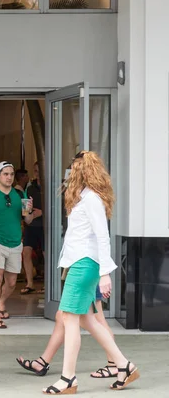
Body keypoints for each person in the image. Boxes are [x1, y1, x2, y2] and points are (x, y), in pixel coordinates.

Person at [42, 151, 139, 394]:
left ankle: (68, 378)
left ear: (85, 171)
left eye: (75, 167)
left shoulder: (91, 199)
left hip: (85, 263)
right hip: (80, 262)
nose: (71, 172)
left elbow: (102, 236)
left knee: (69, 319)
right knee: (86, 319)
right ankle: (124, 366)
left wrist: (106, 274)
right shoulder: (85, 197)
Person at [16, 287, 118, 378]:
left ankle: (114, 364)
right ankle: (42, 362)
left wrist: (104, 276)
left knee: (97, 320)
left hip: (89, 274)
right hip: (85, 273)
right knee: (62, 316)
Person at [0, 161, 35, 328]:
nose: (9, 177)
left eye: (11, 174)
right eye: (5, 174)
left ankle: (1, 301)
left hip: (15, 242)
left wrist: (29, 210)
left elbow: (27, 220)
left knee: (12, 281)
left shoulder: (20, 195)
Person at [21, 162, 44, 295]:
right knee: (26, 252)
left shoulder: (51, 185)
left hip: (46, 225)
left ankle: (49, 284)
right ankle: (30, 283)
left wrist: (42, 213)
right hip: (32, 225)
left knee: (47, 254)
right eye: (35, 170)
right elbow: (25, 206)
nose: (37, 173)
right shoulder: (30, 187)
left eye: (39, 170)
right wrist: (28, 215)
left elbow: (58, 206)